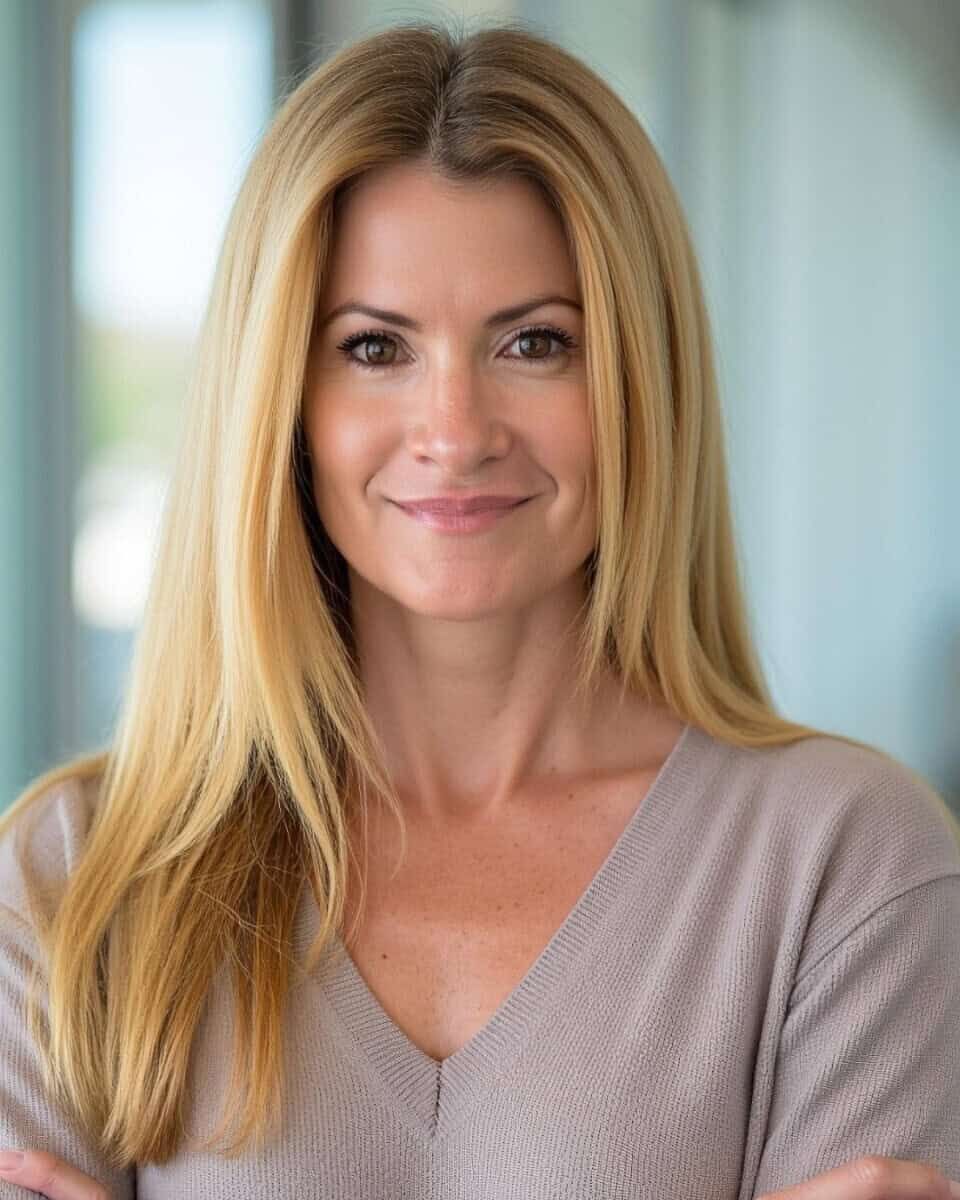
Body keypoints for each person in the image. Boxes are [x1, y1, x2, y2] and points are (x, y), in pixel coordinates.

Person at [1, 17, 958, 1200]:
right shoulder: (77, 877)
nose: (454, 431)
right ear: (280, 399)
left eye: (535, 341)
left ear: (639, 382)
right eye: (373, 348)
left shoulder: (851, 866)